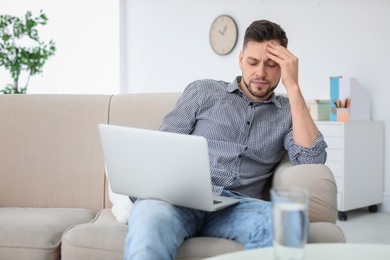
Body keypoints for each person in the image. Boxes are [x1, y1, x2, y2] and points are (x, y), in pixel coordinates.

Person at [124, 19, 327, 259]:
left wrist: (293, 86)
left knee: (291, 220)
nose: (260, 72)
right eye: (253, 62)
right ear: (241, 60)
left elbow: (312, 158)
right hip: (179, 200)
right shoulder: (203, 92)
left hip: (237, 207)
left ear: (283, 67)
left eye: (272, 64)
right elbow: (162, 148)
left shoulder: (287, 111)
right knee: (149, 217)